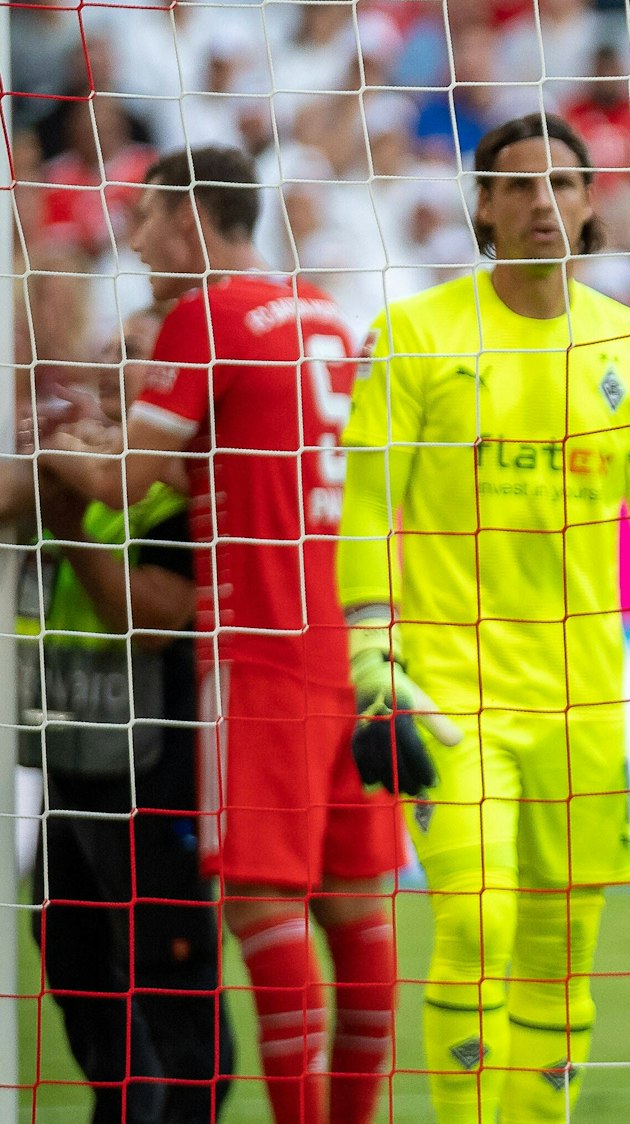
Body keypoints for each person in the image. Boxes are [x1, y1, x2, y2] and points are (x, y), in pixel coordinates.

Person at [334, 112, 630, 1123]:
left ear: (591, 201)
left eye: (559, 182)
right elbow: (370, 509)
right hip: (451, 687)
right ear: (482, 206)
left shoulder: (625, 344)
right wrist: (371, 662)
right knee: (471, 919)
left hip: (587, 698)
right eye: (516, 185)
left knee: (561, 957)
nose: (540, 201)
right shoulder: (415, 333)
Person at [41, 145, 401, 1124]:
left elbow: (126, 480)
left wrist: (60, 454)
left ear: (194, 220)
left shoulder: (210, 314)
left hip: (258, 649)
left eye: (148, 220)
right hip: (349, 642)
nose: (139, 240)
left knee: (262, 912)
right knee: (361, 918)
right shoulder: (323, 310)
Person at [24, 336, 236, 1124]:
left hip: (160, 766)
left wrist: (71, 518)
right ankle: (123, 1106)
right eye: (110, 354)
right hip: (71, 748)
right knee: (70, 951)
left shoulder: (186, 491)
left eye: (139, 355)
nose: (117, 366)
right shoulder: (67, 466)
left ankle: (178, 1107)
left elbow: (150, 616)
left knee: (169, 968)